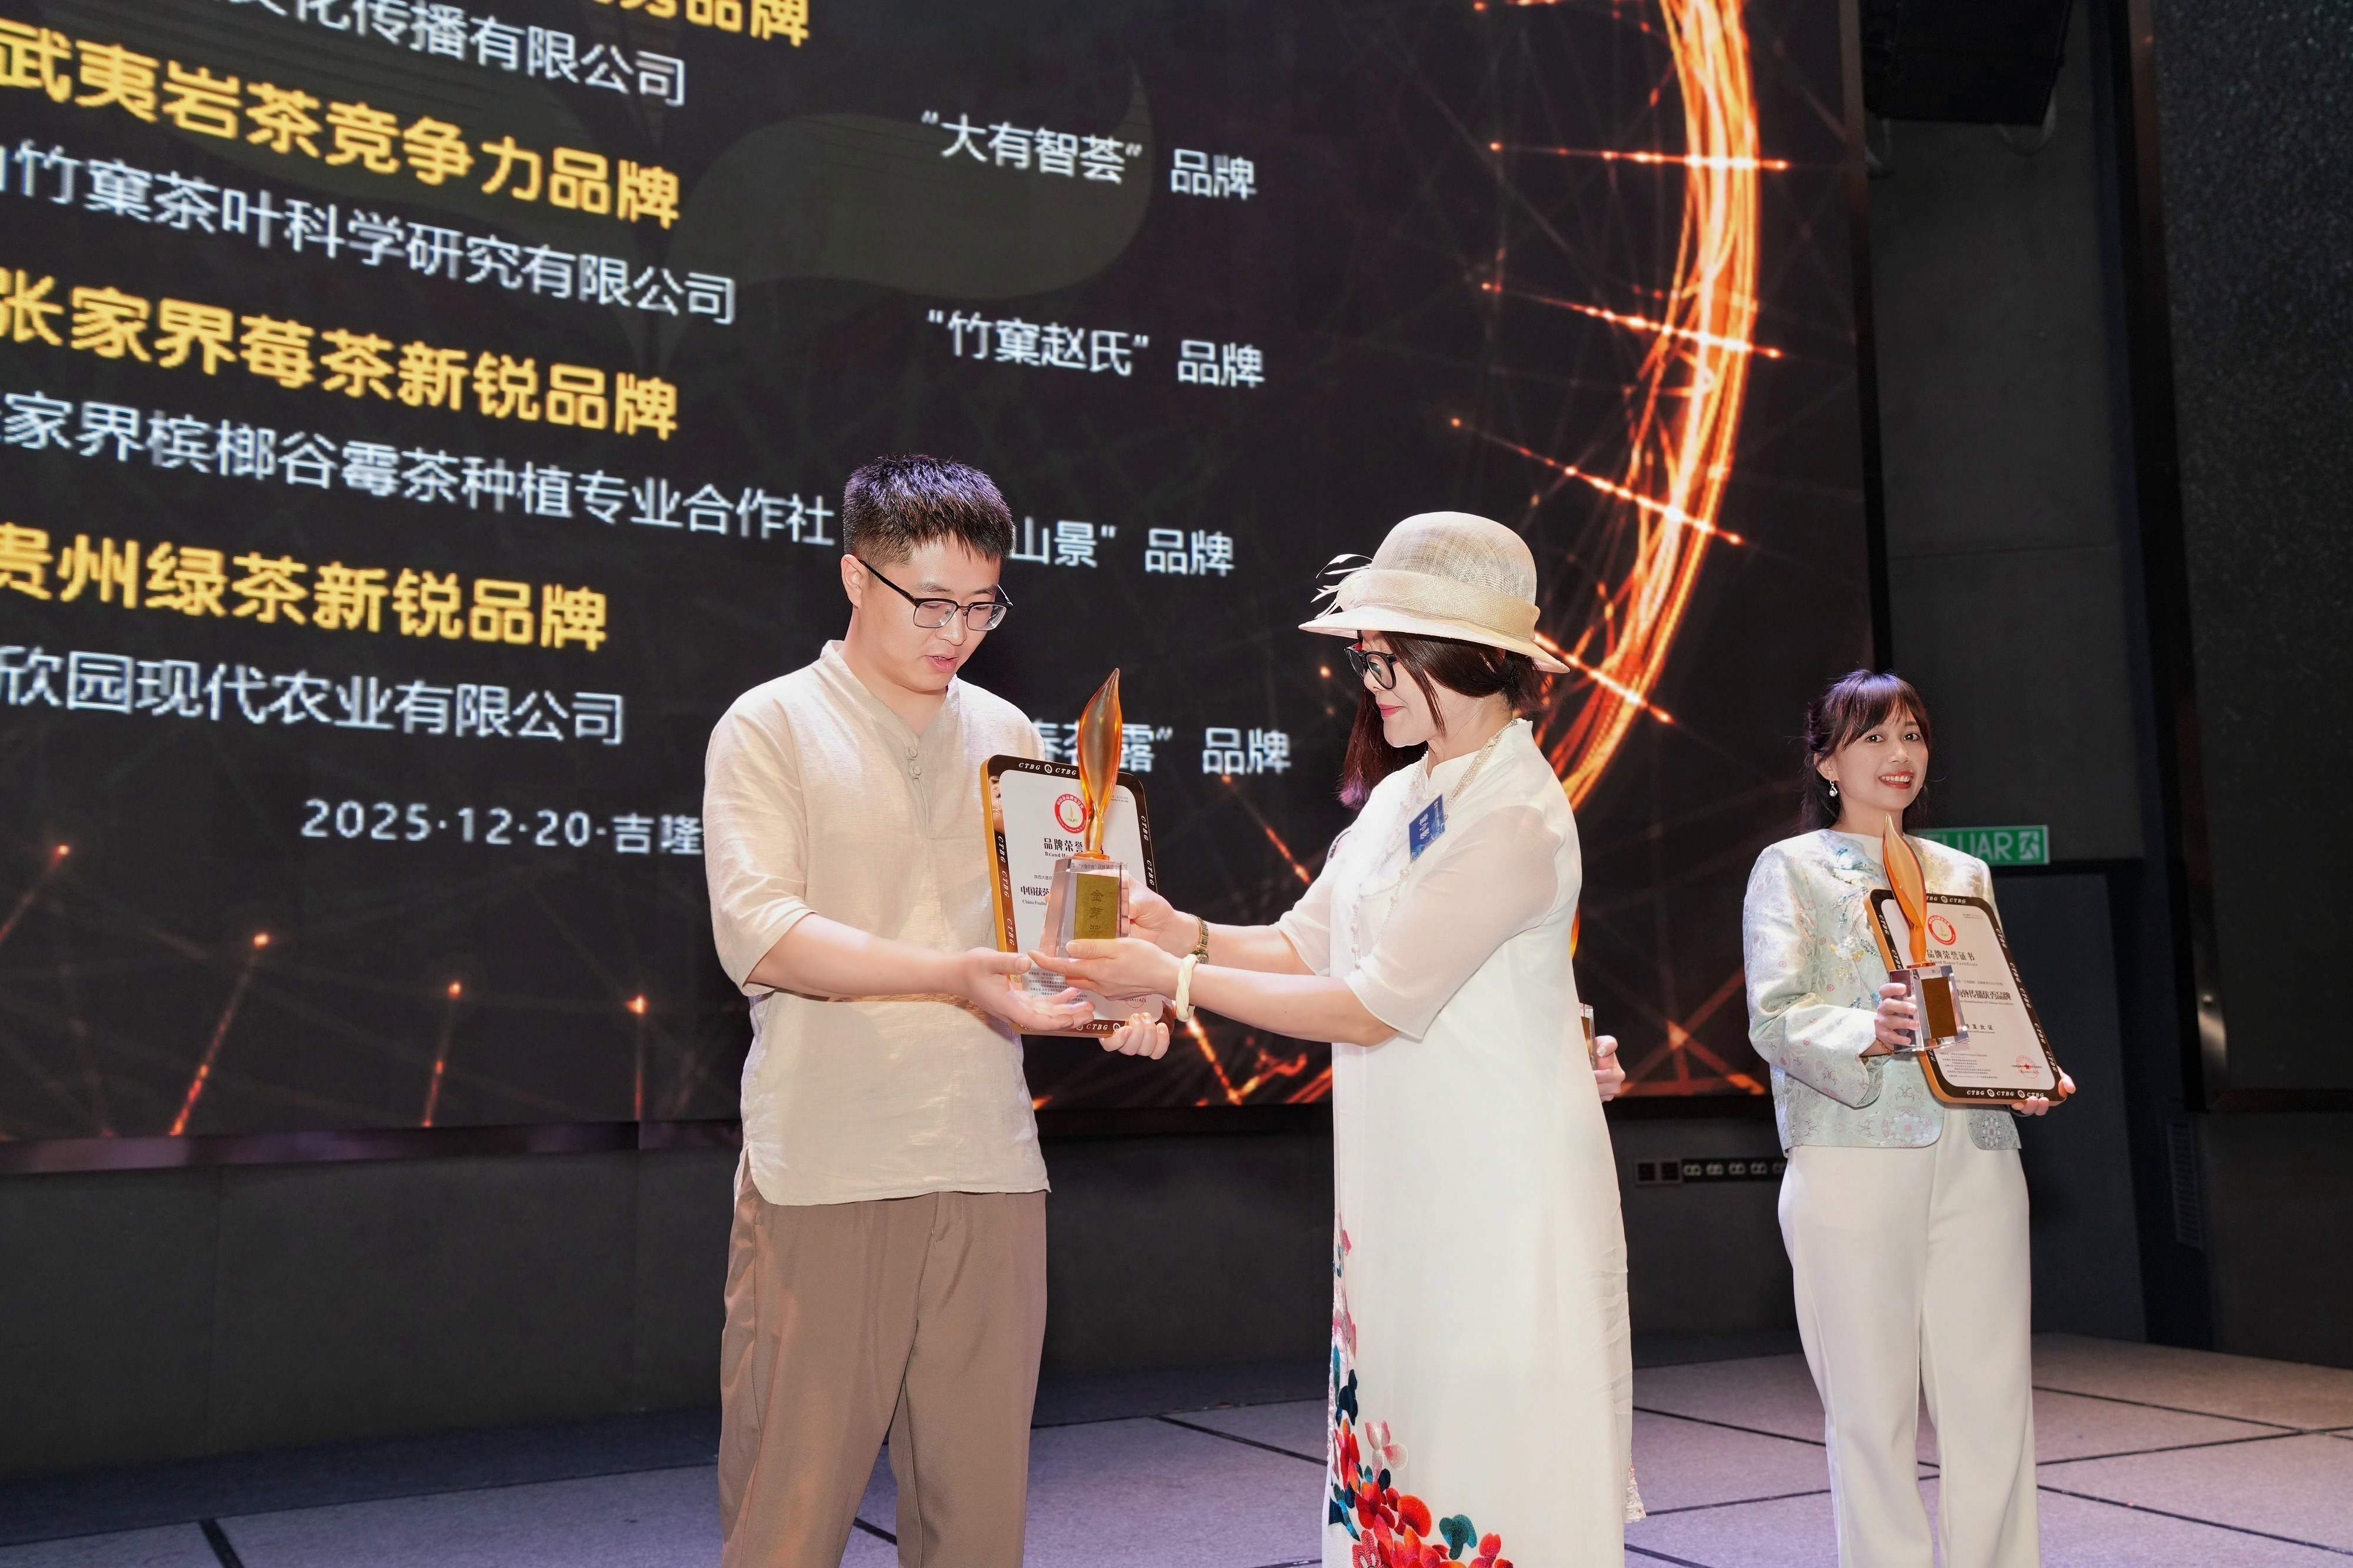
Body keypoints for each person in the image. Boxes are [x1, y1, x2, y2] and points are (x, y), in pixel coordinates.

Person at [1046, 512, 1636, 1567]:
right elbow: (1301, 942)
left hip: (1496, 1197)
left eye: (1386, 658)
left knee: (1488, 1460)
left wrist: (1173, 979)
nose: (1370, 682)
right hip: (1402, 1185)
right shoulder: (1405, 793)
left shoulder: (1516, 816)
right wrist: (1179, 930)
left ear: (1471, 656)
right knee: (1406, 1441)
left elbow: (1369, 1005)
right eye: (1366, 658)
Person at [700, 454, 1165, 1568]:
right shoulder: (770, 725)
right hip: (829, 1164)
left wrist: (1120, 999)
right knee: (787, 1516)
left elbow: (1055, 937)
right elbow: (761, 933)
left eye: (982, 606)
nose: (956, 632)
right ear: (854, 577)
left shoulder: (1008, 732)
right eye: (931, 603)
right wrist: (952, 972)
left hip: (990, 1162)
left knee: (978, 1520)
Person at [1741, 670, 2074, 1568]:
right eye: (1875, 736)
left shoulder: (1963, 872)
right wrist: (1867, 1028)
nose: (1900, 755)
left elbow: (1987, 1004)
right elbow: (1774, 1016)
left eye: (1914, 735)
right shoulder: (1791, 868)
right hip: (1854, 1152)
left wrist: (2027, 1072)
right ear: (1826, 761)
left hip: (1978, 1149)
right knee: (1871, 1407)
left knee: (1992, 1395)